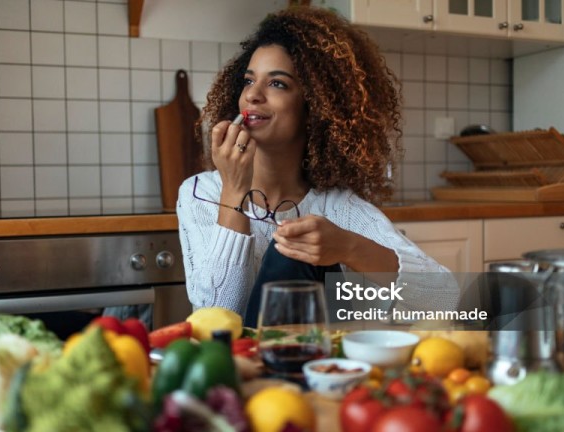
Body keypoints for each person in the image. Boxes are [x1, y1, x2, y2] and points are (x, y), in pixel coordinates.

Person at [176, 6, 457, 325]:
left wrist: (348, 247)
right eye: (249, 80)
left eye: (277, 84)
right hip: (237, 369)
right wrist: (234, 192)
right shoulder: (200, 193)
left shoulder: (338, 208)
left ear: (316, 107)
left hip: (316, 366)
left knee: (293, 247)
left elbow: (446, 297)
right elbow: (214, 315)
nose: (252, 95)